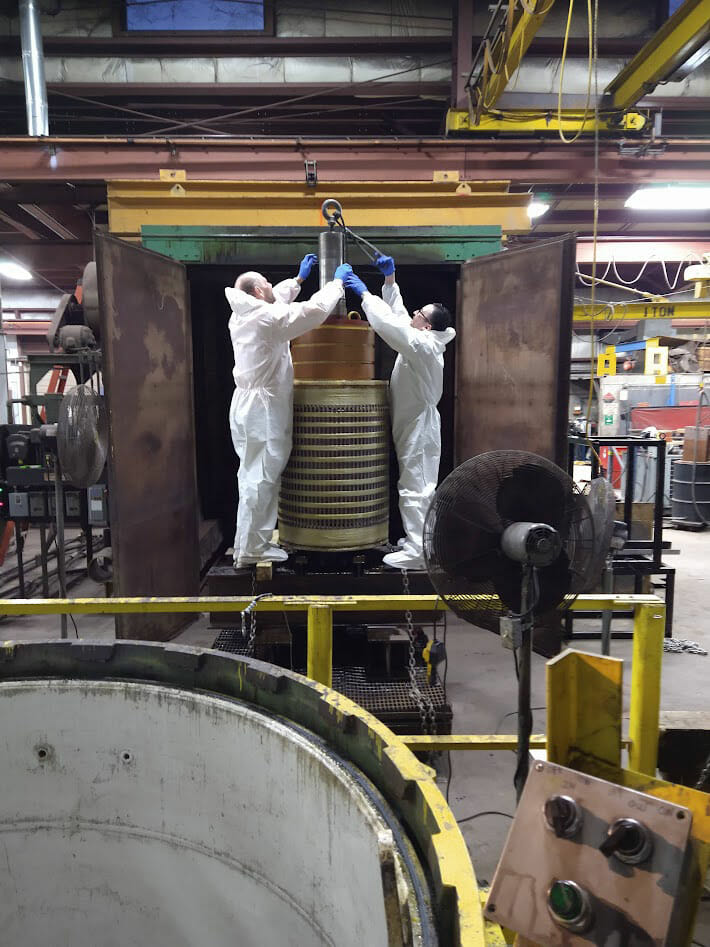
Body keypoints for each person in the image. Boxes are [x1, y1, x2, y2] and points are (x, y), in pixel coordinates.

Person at [226, 254, 345, 568]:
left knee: (252, 475)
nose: (270, 287)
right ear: (256, 294)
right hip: (261, 411)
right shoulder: (264, 320)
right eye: (265, 284)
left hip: (248, 405)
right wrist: (335, 284)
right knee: (261, 477)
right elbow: (311, 312)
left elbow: (276, 299)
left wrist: (298, 280)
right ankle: (253, 549)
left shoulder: (242, 313)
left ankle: (248, 543)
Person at [338, 257, 455, 570]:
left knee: (416, 486)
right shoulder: (421, 337)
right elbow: (400, 316)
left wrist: (364, 295)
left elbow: (389, 325)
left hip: (420, 427)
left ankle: (418, 552)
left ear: (427, 325)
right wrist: (389, 281)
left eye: (419, 314)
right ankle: (419, 541)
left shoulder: (423, 345)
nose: (414, 315)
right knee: (416, 484)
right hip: (413, 424)